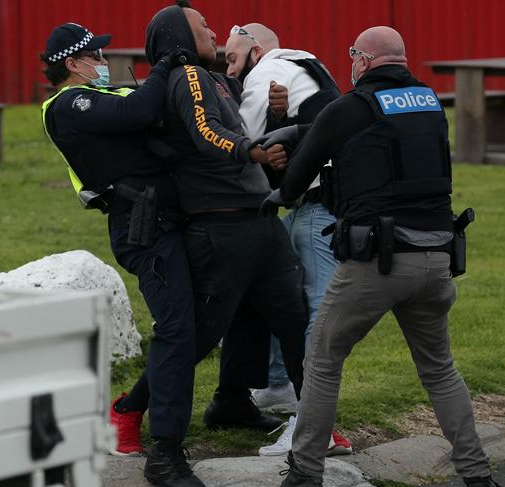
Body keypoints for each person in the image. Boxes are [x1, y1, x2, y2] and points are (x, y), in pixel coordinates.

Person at [261, 26, 501, 487]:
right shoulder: (430, 103)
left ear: (364, 61)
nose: (351, 64)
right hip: (436, 258)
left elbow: (297, 177)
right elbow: (380, 136)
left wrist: (277, 195)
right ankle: (477, 475)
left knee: (323, 358)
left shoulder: (349, 107)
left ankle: (305, 471)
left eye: (353, 56)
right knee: (440, 369)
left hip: (377, 261)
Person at [39, 22, 205, 487]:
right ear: (72, 64)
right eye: (94, 55)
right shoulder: (71, 102)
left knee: (193, 329)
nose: (103, 63)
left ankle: (132, 412)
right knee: (177, 329)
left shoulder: (93, 99)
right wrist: (165, 68)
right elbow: (137, 113)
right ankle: (162, 449)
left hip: (163, 219)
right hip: (142, 227)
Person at [143, 1, 309, 434]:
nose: (214, 32)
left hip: (256, 219)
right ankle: (130, 406)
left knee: (286, 320)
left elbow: (240, 131)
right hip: (221, 226)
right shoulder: (189, 78)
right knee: (199, 337)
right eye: (202, 25)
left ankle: (283, 415)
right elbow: (206, 132)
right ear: (179, 35)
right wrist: (249, 150)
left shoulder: (217, 80)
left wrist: (274, 115)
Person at [225, 23, 352, 458]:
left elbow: (240, 140)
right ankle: (279, 385)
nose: (229, 68)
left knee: (318, 308)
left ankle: (313, 424)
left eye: (232, 59)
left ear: (255, 52)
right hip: (310, 203)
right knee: (283, 293)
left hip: (320, 204)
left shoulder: (267, 73)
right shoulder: (306, 65)